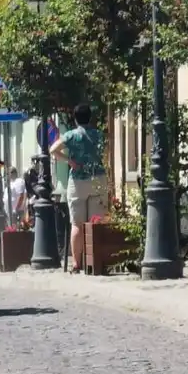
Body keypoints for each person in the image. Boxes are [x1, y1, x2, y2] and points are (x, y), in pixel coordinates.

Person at [50, 102, 108, 273]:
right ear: (90, 117)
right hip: (98, 178)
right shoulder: (98, 134)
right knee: (96, 222)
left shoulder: (71, 135)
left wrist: (69, 161)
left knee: (77, 224)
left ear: (75, 119)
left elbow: (53, 149)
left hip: (78, 181)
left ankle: (77, 264)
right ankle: (97, 260)